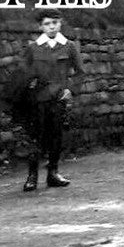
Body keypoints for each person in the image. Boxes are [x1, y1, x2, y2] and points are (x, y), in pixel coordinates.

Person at [19, 10, 83, 191]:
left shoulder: (69, 46)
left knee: (56, 135)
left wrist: (71, 90)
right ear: (41, 26)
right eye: (47, 24)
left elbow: (80, 72)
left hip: (58, 98)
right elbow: (23, 73)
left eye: (55, 22)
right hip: (38, 98)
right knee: (35, 136)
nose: (52, 26)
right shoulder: (33, 48)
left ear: (60, 24)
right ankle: (32, 176)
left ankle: (53, 173)